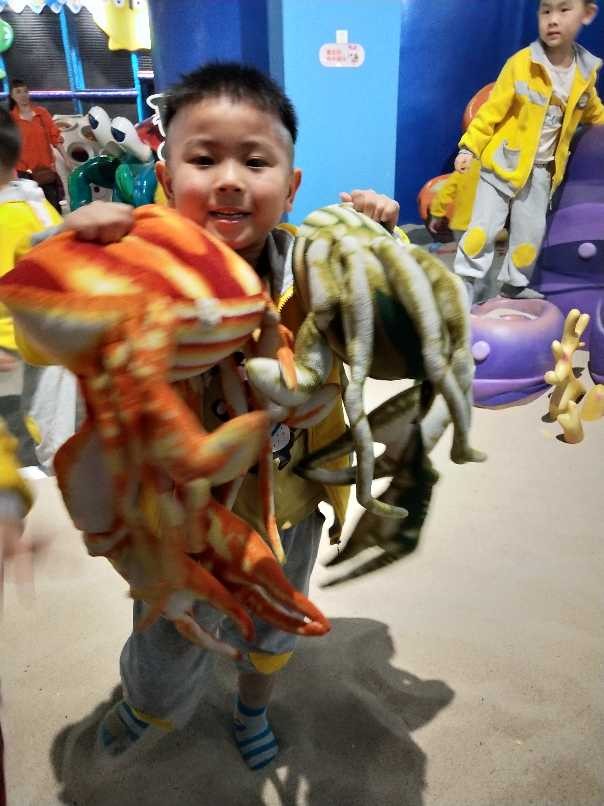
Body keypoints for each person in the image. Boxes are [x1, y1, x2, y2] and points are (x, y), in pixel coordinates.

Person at [0, 63, 400, 772]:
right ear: (165, 173)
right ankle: (145, 704)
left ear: (292, 186)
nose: (230, 180)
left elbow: (397, 348)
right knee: (164, 642)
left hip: (290, 505)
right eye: (204, 159)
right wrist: (62, 249)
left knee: (273, 629)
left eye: (256, 162)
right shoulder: (132, 263)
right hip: (174, 517)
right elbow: (39, 338)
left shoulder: (318, 267)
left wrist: (385, 251)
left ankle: (252, 707)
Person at [453, 0, 604, 306]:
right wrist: (470, 146)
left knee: (530, 234)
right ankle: (465, 282)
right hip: (502, 164)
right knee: (483, 228)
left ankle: (515, 284)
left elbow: (593, 111)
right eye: (546, 11)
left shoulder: (585, 72)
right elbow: (491, 112)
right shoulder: (522, 64)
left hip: (542, 171)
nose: (553, 19)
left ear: (587, 15)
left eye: (564, 10)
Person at [8, 79, 71, 212]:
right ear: (12, 96)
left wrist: (66, 158)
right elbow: (9, 145)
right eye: (18, 92)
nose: (23, 95)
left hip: (45, 170)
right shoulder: (11, 119)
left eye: (25, 91)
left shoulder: (41, 113)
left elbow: (55, 137)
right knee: (33, 211)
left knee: (54, 209)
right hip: (23, 173)